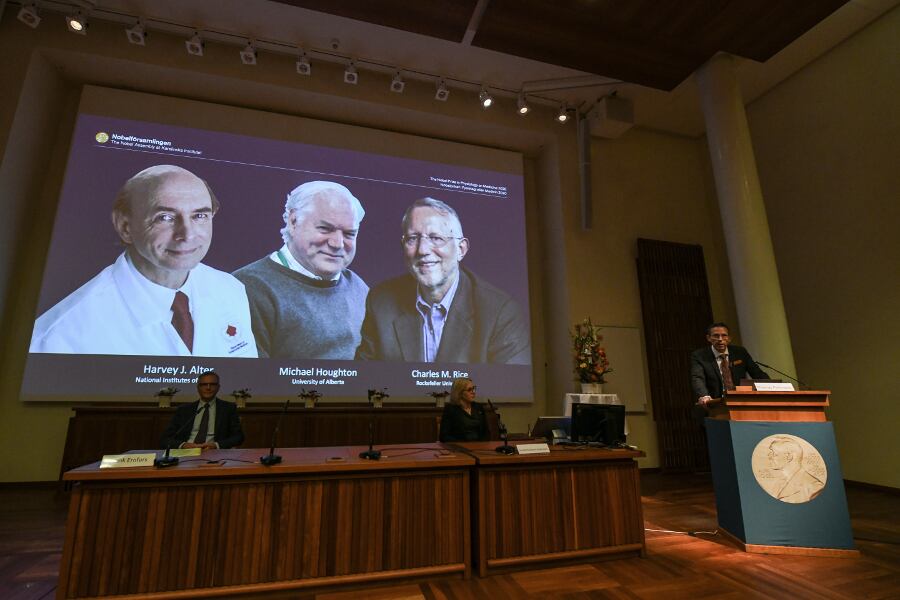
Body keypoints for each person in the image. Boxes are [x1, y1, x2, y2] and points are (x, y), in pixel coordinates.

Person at [29, 165, 257, 357]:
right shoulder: (59, 336)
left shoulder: (230, 289)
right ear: (125, 227)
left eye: (199, 216)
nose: (187, 234)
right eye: (165, 217)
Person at [356, 197, 530, 364]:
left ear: (461, 249)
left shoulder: (500, 312)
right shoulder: (381, 302)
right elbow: (366, 377)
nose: (422, 250)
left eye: (436, 238)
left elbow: (508, 383)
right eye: (412, 239)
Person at [233, 181, 368, 358]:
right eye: (325, 229)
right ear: (293, 221)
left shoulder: (359, 288)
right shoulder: (245, 288)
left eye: (349, 234)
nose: (338, 244)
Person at [691, 322, 768, 410]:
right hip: (715, 404)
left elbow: (757, 373)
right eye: (716, 336)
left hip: (741, 402)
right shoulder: (699, 356)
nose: (720, 339)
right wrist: (704, 395)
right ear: (708, 338)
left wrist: (771, 386)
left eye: (724, 335)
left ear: (729, 338)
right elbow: (697, 378)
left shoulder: (740, 352)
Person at [159, 371, 244, 449]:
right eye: (204, 384)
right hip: (186, 452)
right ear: (198, 387)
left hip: (214, 452)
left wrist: (216, 445)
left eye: (212, 384)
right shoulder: (184, 410)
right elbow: (165, 439)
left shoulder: (228, 409)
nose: (208, 388)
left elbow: (238, 437)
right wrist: (184, 445)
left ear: (218, 387)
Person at [766, 437, 825, 503]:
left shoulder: (814, 487)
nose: (770, 457)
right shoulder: (779, 483)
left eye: (775, 454)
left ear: (789, 456)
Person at [438, 377, 489, 442]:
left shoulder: (478, 407)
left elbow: (486, 433)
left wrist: (482, 445)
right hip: (460, 446)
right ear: (459, 392)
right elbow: (444, 437)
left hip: (480, 446)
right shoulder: (450, 409)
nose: (473, 392)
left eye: (474, 388)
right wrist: (463, 445)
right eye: (469, 390)